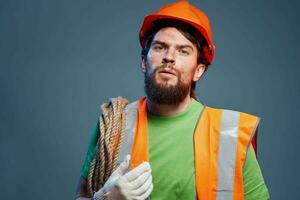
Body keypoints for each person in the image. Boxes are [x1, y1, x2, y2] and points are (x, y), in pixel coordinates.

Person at [75, 1, 270, 200]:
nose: (169, 57)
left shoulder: (230, 134)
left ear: (199, 70)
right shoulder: (113, 124)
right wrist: (106, 199)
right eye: (160, 47)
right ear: (143, 61)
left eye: (183, 51)